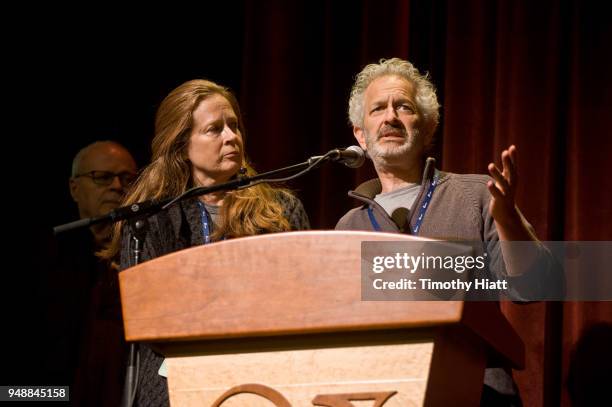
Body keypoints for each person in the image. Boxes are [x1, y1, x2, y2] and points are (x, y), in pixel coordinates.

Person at [335, 58, 561, 406]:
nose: (390, 116)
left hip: (476, 391)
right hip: (383, 391)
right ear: (361, 135)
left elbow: (534, 286)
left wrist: (507, 220)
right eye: (378, 108)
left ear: (427, 127)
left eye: (404, 107)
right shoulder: (348, 227)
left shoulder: (477, 196)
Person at [101, 79, 310, 406]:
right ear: (181, 144)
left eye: (234, 126)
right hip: (172, 388)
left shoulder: (281, 211)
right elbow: (151, 321)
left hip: (260, 383)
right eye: (215, 129)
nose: (231, 137)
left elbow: (300, 307)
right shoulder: (149, 221)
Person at [44, 141, 138, 406]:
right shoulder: (49, 256)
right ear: (74, 188)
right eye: (103, 177)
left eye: (127, 178)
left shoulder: (147, 251)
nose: (118, 187)